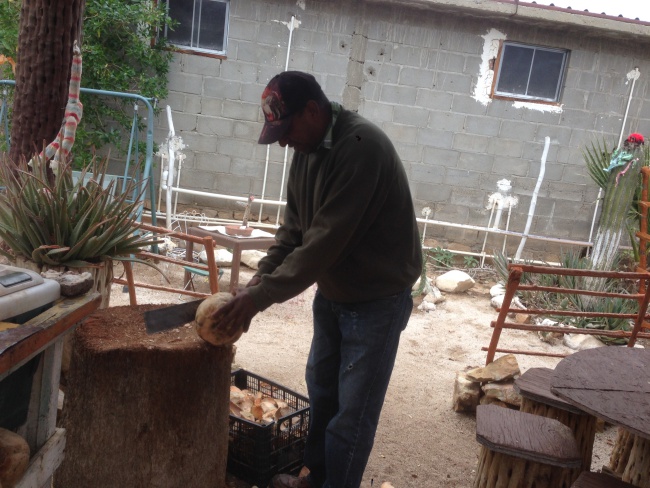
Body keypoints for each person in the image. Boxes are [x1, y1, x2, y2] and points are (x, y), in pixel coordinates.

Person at [212, 71, 422, 488]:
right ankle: (315, 477)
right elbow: (293, 234)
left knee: (352, 414)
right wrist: (256, 284)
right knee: (322, 394)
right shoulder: (307, 150)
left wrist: (259, 299)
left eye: (286, 129)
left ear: (313, 110)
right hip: (334, 293)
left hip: (376, 300)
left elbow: (324, 243)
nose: (284, 141)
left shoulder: (361, 147)